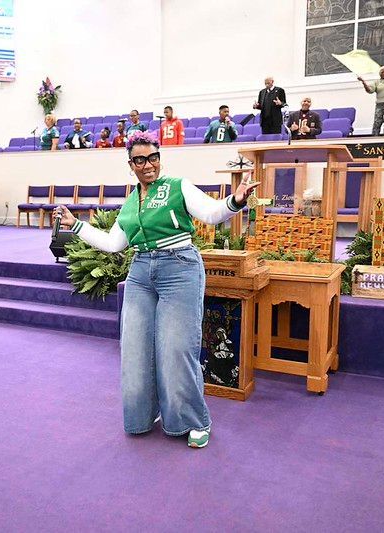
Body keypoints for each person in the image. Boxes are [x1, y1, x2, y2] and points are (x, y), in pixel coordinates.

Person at [54, 130, 257, 448]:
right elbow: (114, 243)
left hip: (179, 268)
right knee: (134, 350)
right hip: (140, 274)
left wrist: (236, 201)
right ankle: (143, 414)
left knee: (177, 349)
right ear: (131, 165)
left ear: (159, 158)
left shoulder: (177, 186)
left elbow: (212, 213)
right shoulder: (130, 203)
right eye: (140, 160)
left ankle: (193, 421)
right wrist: (75, 225)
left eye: (153, 157)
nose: (148, 164)